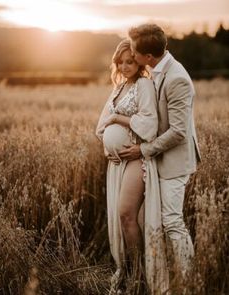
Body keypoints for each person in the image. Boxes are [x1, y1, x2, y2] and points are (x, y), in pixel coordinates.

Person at [116, 24, 201, 282]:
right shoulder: (157, 70)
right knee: (158, 221)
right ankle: (158, 274)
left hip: (174, 162)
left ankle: (188, 280)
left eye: (134, 52)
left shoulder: (177, 79)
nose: (130, 54)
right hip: (157, 160)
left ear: (148, 57)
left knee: (173, 222)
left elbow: (178, 132)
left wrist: (143, 149)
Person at [96, 39, 169, 294]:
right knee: (121, 218)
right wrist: (108, 147)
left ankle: (140, 277)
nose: (125, 66)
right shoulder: (119, 87)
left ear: (138, 62)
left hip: (137, 158)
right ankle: (128, 271)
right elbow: (101, 125)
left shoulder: (144, 85)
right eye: (121, 62)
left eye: (130, 61)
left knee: (127, 213)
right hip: (118, 163)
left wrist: (118, 118)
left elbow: (149, 125)